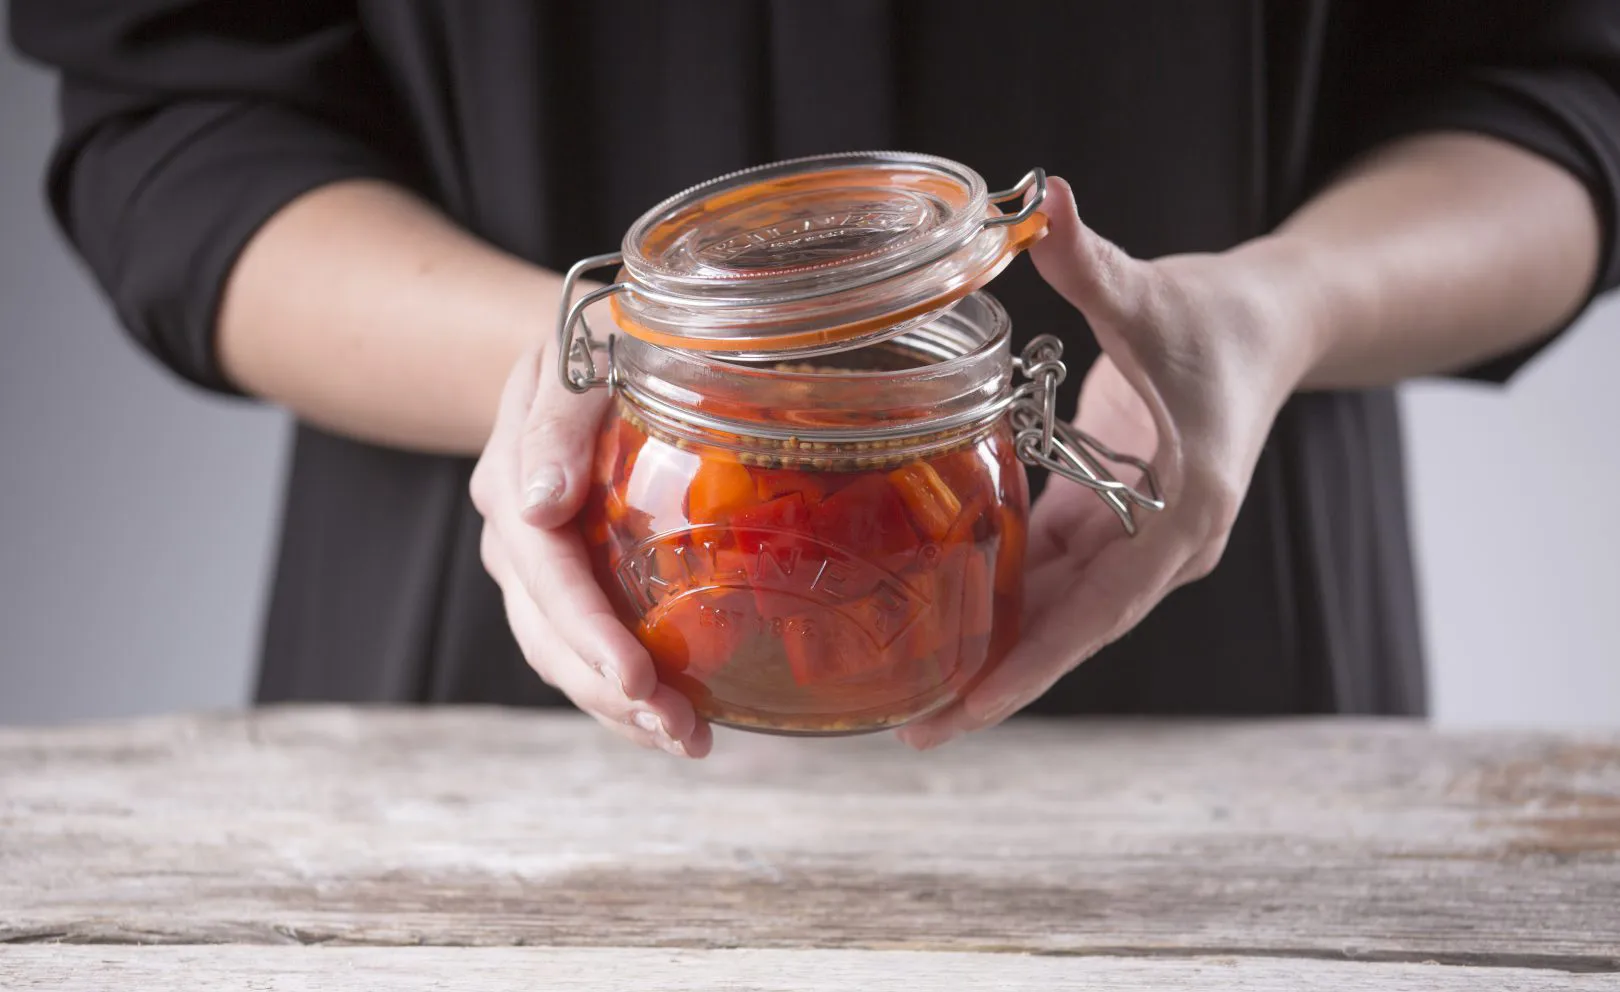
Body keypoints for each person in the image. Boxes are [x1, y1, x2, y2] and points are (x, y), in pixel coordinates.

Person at [12, 2, 1619, 758]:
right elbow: (173, 115)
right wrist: (560, 373)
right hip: (480, 675)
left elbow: (1560, 82)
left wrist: (1280, 308)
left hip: (1191, 603)